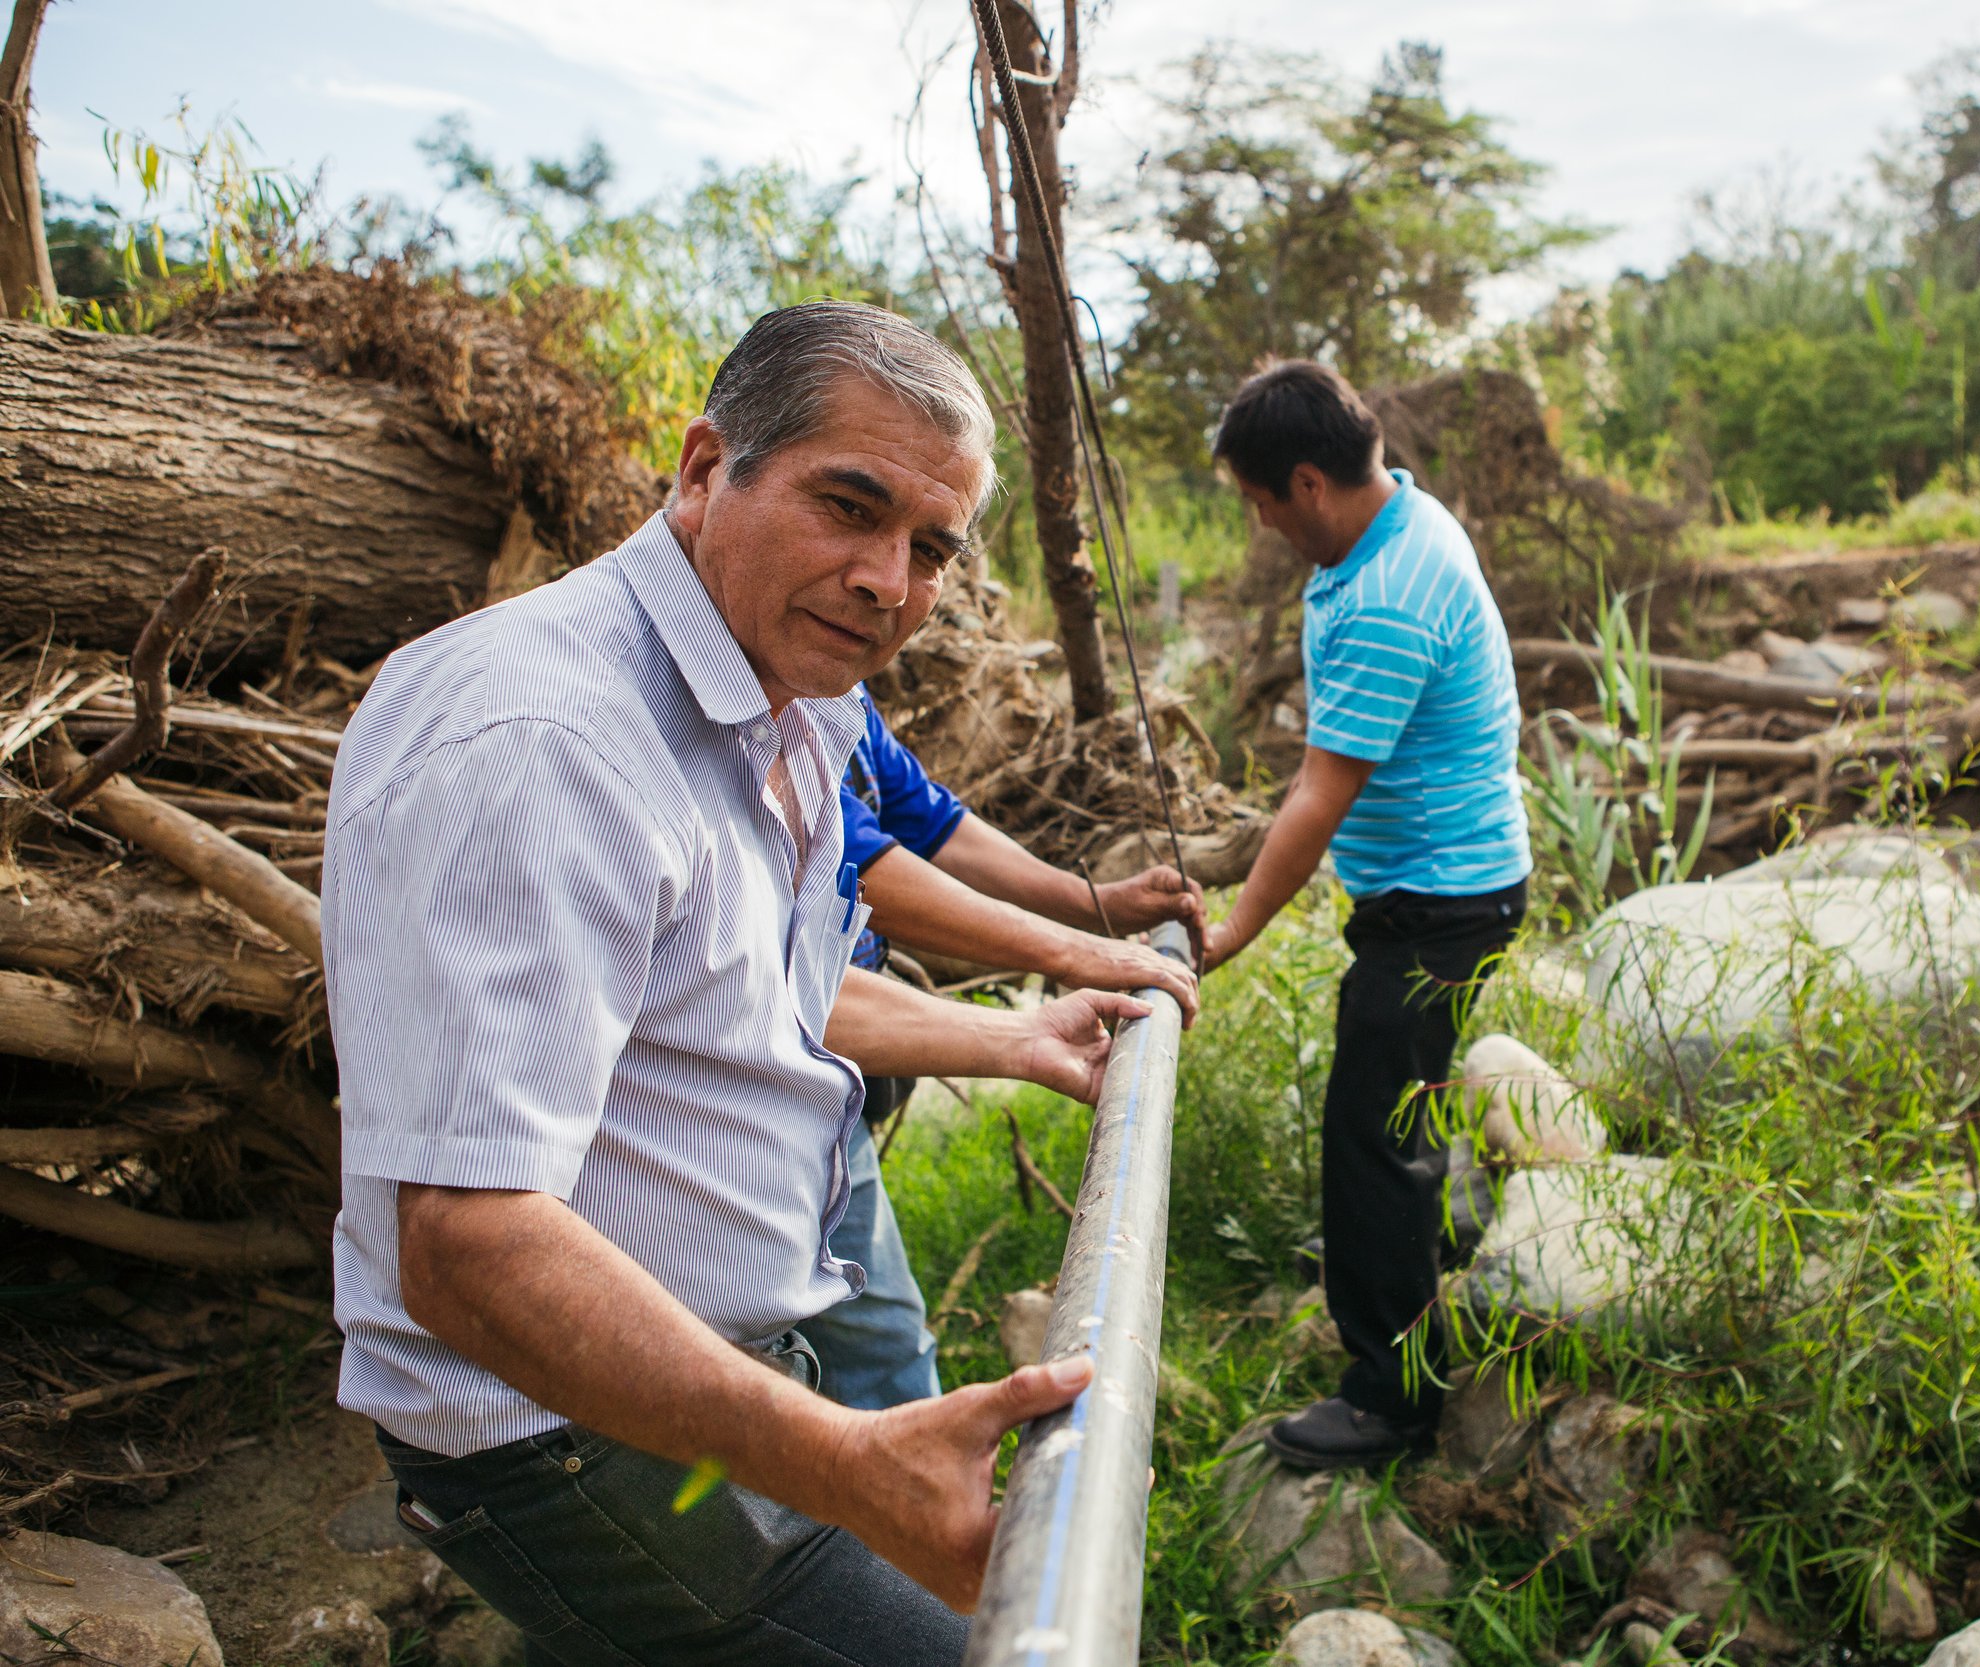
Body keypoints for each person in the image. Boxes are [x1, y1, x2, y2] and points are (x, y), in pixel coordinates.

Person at [324, 300, 1141, 1666]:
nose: (890, 579)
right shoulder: (542, 737)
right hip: (566, 1438)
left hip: (711, 1374)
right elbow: (466, 1239)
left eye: (930, 548)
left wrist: (1016, 1030)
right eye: (849, 506)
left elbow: (759, 993)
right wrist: (845, 1457)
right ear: (707, 471)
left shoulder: (796, 694)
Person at [1197, 359, 1531, 1470]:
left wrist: (1233, 925)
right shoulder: (1395, 514)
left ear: (1307, 481)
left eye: (1259, 501)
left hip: (1439, 900)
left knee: (1369, 1132)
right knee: (1399, 1105)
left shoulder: (1392, 592)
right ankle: (1421, 1256)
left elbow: (1319, 789)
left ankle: (1393, 1396)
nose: (1260, 523)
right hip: (1442, 882)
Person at [800, 689, 1203, 1410]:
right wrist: (1078, 950)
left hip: (832, 1078)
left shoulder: (843, 691)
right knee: (879, 1355)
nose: (891, 588)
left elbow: (929, 820)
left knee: (871, 1341)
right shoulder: (763, 702)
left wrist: (1091, 902)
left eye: (931, 566)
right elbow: (850, 864)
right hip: (771, 1092)